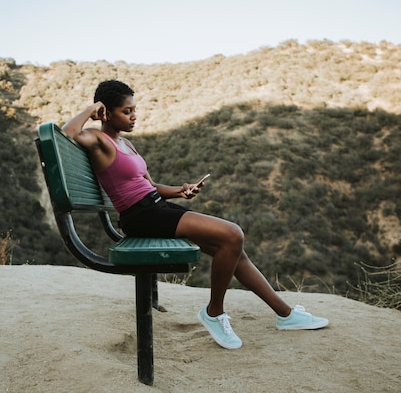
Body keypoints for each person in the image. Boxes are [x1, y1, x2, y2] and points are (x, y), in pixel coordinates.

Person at [62, 80, 328, 349]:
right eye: (126, 111)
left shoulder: (127, 144)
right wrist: (92, 108)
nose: (134, 116)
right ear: (107, 112)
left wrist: (181, 190)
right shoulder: (98, 140)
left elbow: (150, 186)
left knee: (233, 247)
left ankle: (285, 315)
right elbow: (68, 131)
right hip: (141, 216)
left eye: (134, 110)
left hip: (155, 207)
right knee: (233, 233)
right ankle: (214, 313)